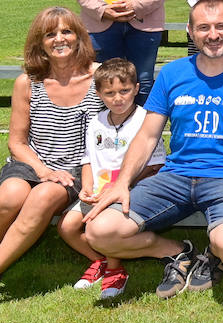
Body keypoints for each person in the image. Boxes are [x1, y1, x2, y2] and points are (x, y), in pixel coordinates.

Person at [84, 0, 223, 298]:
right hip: (175, 176)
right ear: (190, 31)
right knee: (99, 232)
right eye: (203, 27)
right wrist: (123, 183)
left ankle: (215, 255)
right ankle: (178, 252)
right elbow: (148, 135)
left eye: (221, 26)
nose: (213, 34)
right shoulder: (173, 73)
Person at [0, 8, 102, 282]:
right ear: (40, 42)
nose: (59, 39)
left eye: (66, 31)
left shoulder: (100, 78)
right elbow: (17, 142)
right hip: (33, 164)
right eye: (50, 34)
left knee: (43, 196)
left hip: (79, 170)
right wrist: (43, 170)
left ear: (79, 37)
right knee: (9, 195)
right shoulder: (28, 83)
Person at [64, 58, 165, 300]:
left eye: (124, 91)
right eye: (109, 93)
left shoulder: (145, 120)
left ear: (137, 89)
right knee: (67, 227)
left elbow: (156, 165)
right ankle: (100, 260)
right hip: (98, 190)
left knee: (102, 225)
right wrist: (87, 187)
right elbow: (87, 159)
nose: (117, 98)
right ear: (98, 94)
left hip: (130, 189)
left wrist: (123, 185)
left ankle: (114, 270)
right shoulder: (96, 122)